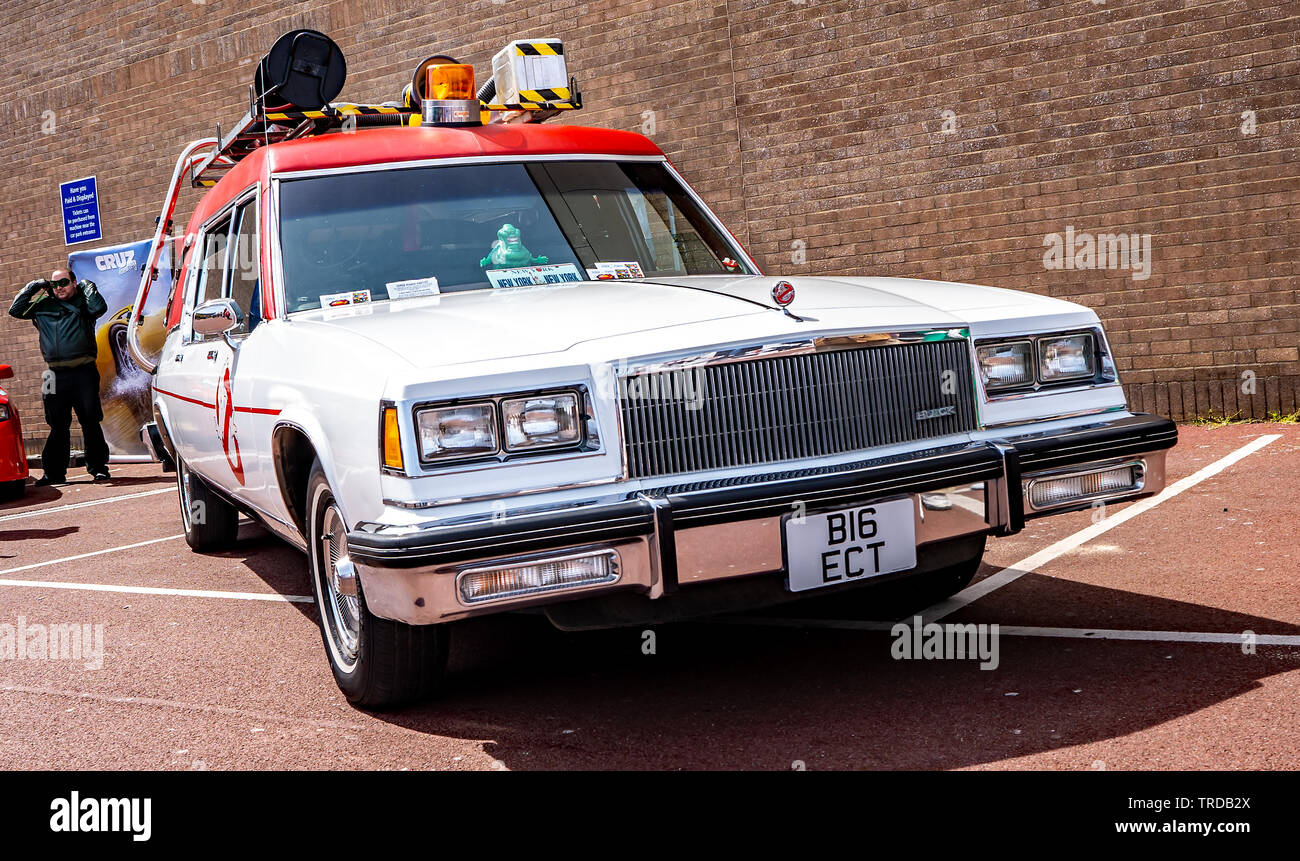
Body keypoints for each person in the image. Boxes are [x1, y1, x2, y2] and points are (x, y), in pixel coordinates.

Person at [8, 268, 110, 484]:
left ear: (73, 282)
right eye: (55, 284)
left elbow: (100, 307)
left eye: (64, 282)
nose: (59, 287)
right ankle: (53, 473)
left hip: (84, 371)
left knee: (90, 421)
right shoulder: (42, 304)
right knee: (57, 424)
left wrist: (87, 285)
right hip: (52, 374)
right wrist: (35, 285)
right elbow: (15, 310)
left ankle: (98, 468)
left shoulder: (85, 303)